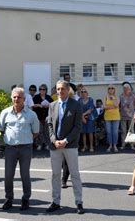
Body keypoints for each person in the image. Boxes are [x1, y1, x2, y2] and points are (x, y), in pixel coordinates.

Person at [46, 80, 84, 214]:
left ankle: (79, 202)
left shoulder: (76, 105)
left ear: (68, 90)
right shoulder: (52, 105)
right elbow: (49, 125)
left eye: (62, 89)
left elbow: (77, 126)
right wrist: (54, 140)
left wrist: (66, 141)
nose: (60, 92)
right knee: (55, 174)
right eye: (58, 89)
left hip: (70, 145)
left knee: (74, 174)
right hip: (55, 146)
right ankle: (55, 201)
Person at [0, 87, 39, 211]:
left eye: (19, 97)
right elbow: (1, 129)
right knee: (8, 175)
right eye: (14, 97)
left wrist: (24, 139)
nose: (16, 99)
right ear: (11, 98)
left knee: (25, 175)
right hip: (10, 148)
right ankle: (9, 199)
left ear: (24, 99)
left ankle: (26, 199)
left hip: (25, 148)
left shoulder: (31, 114)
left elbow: (36, 132)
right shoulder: (5, 113)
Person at [32, 84, 53, 151]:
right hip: (38, 117)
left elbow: (53, 105)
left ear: (46, 90)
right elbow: (32, 105)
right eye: (40, 89)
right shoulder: (36, 97)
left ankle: (47, 144)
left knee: (47, 131)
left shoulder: (48, 97)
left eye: (43, 89)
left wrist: (48, 105)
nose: (42, 90)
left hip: (47, 117)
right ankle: (40, 144)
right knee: (39, 131)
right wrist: (38, 105)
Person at [119, 82, 135, 149]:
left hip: (131, 115)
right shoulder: (121, 96)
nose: (126, 90)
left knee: (131, 130)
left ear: (129, 89)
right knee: (123, 131)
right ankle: (123, 144)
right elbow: (119, 105)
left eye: (127, 88)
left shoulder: (133, 95)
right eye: (124, 88)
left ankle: (132, 145)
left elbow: (134, 105)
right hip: (123, 115)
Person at [79, 86, 96, 152]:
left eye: (84, 91)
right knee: (83, 133)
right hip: (82, 118)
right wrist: (82, 117)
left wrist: (83, 115)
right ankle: (85, 146)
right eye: (82, 91)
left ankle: (91, 146)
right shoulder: (79, 100)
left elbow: (91, 109)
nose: (83, 93)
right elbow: (78, 110)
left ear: (87, 93)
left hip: (90, 118)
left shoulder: (90, 99)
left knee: (90, 132)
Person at [104, 85, 120, 152]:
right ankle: (110, 145)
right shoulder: (105, 97)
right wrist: (113, 107)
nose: (111, 89)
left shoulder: (117, 97)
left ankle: (115, 145)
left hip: (116, 116)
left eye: (112, 88)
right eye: (109, 88)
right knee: (109, 132)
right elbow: (104, 106)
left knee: (115, 132)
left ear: (114, 90)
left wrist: (113, 99)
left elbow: (117, 105)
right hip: (107, 117)